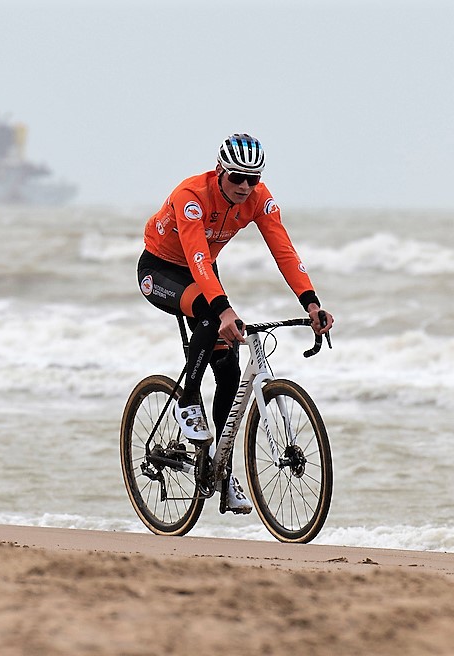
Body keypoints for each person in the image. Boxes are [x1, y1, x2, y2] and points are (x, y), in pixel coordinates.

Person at [136, 133, 334, 514]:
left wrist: (312, 303)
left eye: (253, 179)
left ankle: (221, 475)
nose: (245, 186)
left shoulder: (259, 199)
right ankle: (187, 400)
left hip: (202, 271)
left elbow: (284, 251)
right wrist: (224, 309)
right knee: (214, 317)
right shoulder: (191, 196)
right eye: (237, 178)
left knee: (229, 370)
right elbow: (195, 258)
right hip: (161, 269)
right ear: (220, 171)